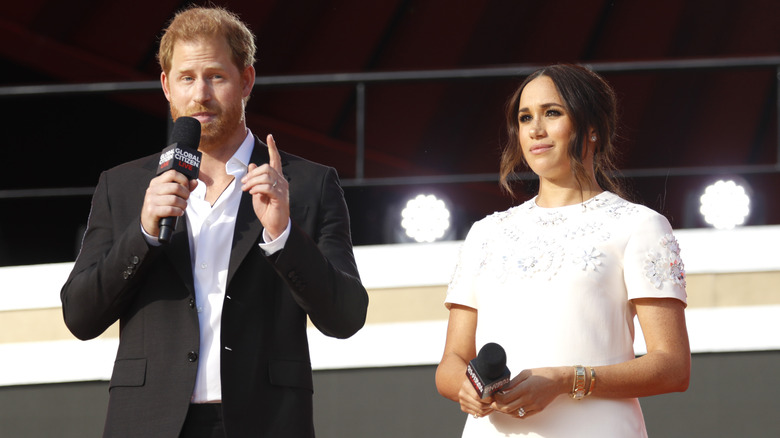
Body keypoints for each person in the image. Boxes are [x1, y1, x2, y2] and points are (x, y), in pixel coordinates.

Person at [60, 6, 368, 438]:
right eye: (186, 78)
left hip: (267, 421)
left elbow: (347, 317)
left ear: (246, 81)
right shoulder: (125, 186)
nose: (200, 94)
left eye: (216, 77)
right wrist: (144, 232)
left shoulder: (307, 185)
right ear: (166, 86)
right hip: (148, 421)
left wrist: (282, 236)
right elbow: (80, 315)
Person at [435, 64, 690, 437]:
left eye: (552, 113)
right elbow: (451, 362)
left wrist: (566, 380)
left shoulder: (638, 226)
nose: (535, 129)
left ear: (592, 129)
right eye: (525, 118)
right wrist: (467, 387)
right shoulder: (487, 233)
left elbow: (672, 367)